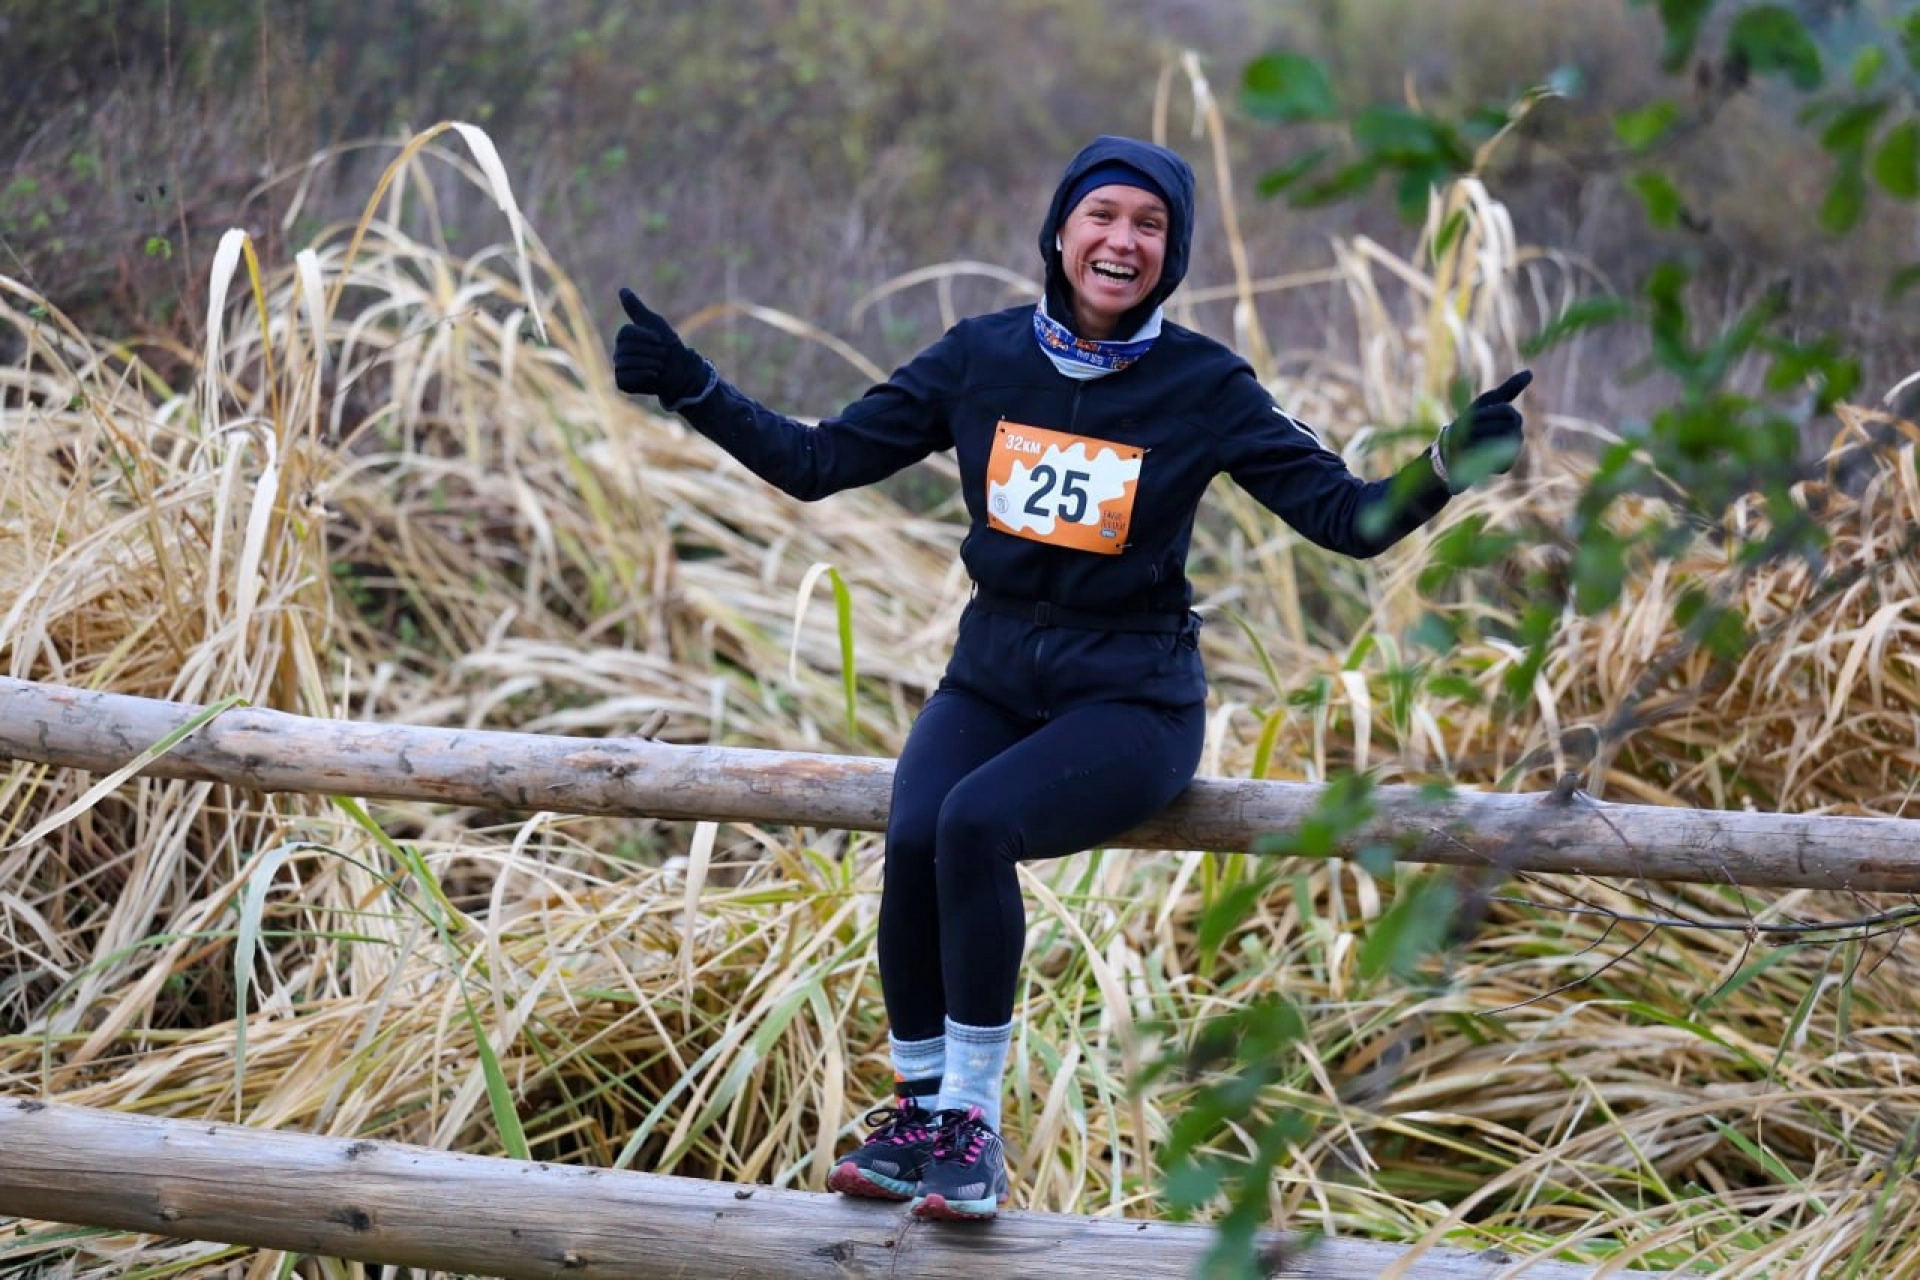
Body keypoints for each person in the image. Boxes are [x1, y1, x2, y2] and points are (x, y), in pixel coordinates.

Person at [612, 134, 1530, 1222]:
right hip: (993, 675)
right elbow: (819, 464)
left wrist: (1443, 468)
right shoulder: (980, 357)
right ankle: (915, 1118)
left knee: (976, 821)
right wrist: (694, 386)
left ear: (1172, 256)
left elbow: (1347, 518)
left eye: (1150, 225)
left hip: (1133, 700)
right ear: (1059, 232)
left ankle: (971, 1125)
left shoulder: (1206, 385)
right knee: (913, 832)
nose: (1122, 240)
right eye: (1103, 216)